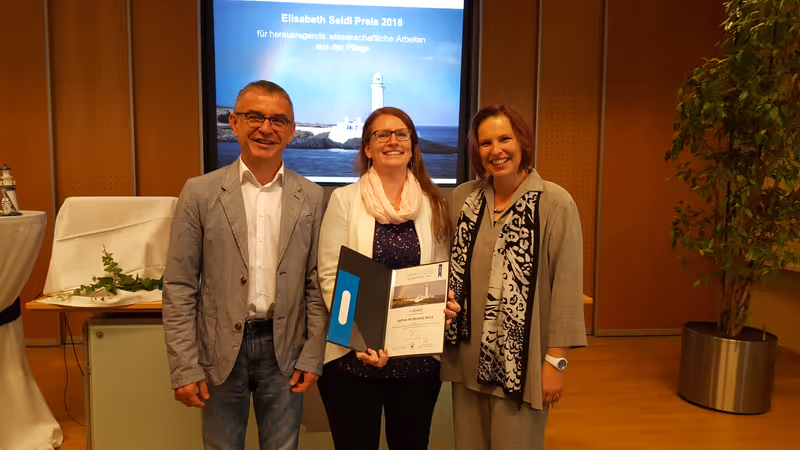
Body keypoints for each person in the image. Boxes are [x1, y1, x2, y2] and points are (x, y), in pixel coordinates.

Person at [162, 80, 327, 450]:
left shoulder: (313, 197)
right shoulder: (199, 192)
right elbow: (179, 286)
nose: (266, 128)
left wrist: (313, 355)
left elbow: (315, 284)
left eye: (278, 120)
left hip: (285, 350)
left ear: (291, 131)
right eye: (255, 117)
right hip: (220, 349)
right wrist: (184, 366)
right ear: (234, 123)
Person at [441, 105, 587, 450]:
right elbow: (446, 269)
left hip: (521, 366)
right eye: (485, 143)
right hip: (465, 360)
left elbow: (566, 290)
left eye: (504, 139)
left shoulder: (555, 203)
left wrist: (556, 363)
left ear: (522, 141)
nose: (496, 150)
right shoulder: (462, 198)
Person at [316, 107, 452, 450]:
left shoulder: (434, 204)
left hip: (416, 360)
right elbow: (332, 276)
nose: (393, 141)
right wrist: (361, 340)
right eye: (382, 134)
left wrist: (446, 304)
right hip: (354, 358)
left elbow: (440, 273)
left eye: (402, 134)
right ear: (367, 147)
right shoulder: (344, 200)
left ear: (412, 145)